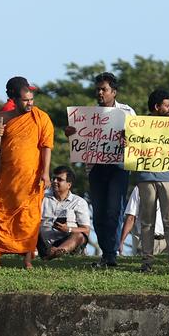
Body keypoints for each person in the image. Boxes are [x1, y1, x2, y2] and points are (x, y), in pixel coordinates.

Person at [61, 72, 135, 269]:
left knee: (114, 210)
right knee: (100, 212)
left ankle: (111, 254)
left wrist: (130, 137)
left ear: (114, 92)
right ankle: (106, 253)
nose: (100, 93)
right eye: (98, 89)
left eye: (104, 89)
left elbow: (139, 139)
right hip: (95, 168)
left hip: (118, 167)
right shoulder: (87, 116)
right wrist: (70, 133)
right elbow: (79, 140)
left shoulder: (127, 112)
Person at [0, 77, 53, 269]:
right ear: (13, 99)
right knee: (2, 215)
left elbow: (46, 146)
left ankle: (27, 259)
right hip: (6, 177)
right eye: (25, 100)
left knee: (29, 219)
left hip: (31, 177)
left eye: (31, 99)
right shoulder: (2, 118)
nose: (30, 103)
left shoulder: (41, 118)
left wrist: (45, 173)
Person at [133, 89, 169, 272]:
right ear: (156, 107)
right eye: (167, 105)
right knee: (147, 221)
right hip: (147, 177)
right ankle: (147, 261)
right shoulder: (139, 125)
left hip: (167, 177)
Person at [38, 166, 91, 259]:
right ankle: (51, 253)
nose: (54, 181)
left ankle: (58, 252)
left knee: (79, 235)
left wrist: (68, 229)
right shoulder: (42, 198)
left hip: (68, 242)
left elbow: (86, 230)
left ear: (69, 185)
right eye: (53, 178)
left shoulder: (79, 202)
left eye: (59, 179)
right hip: (44, 243)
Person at [119, 189, 169, 258]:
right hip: (146, 240)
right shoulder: (139, 189)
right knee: (145, 266)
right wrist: (121, 242)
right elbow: (131, 217)